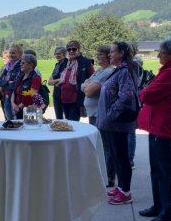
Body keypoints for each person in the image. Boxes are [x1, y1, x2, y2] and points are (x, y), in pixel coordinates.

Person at [137, 37, 171, 221]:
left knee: (165, 173)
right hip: (157, 126)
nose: (158, 55)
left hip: (162, 127)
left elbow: (147, 94)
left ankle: (167, 214)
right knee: (157, 171)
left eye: (162, 52)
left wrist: (144, 91)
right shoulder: (168, 71)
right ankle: (158, 206)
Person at [97, 41, 140, 205]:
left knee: (121, 157)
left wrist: (109, 115)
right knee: (116, 155)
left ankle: (126, 192)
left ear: (122, 53)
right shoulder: (119, 71)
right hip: (111, 123)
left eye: (113, 52)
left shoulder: (125, 71)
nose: (110, 54)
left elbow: (126, 97)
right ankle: (121, 187)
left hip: (117, 123)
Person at [81, 45, 115, 187]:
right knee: (97, 144)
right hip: (93, 113)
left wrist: (87, 85)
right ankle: (101, 173)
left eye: (101, 54)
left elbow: (89, 91)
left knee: (105, 145)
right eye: (98, 54)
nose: (98, 56)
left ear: (108, 56)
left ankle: (109, 176)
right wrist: (87, 85)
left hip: (100, 114)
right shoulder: (99, 71)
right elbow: (83, 85)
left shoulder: (108, 72)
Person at [58, 40, 94, 121]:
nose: (71, 51)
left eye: (74, 49)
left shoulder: (86, 62)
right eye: (69, 49)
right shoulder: (65, 63)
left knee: (72, 123)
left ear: (79, 49)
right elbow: (57, 78)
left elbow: (93, 78)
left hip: (76, 100)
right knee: (67, 122)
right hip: (64, 99)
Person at [0, 44, 23, 121]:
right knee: (9, 121)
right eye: (10, 53)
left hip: (16, 98)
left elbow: (16, 83)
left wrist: (3, 85)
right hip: (5, 96)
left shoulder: (22, 66)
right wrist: (6, 83)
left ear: (20, 54)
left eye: (13, 53)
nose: (11, 55)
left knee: (16, 122)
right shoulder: (6, 66)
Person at [11, 54, 41, 119]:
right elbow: (14, 91)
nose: (20, 64)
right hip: (18, 110)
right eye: (20, 62)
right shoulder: (20, 76)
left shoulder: (36, 78)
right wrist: (13, 104)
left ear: (31, 65)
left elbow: (31, 96)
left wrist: (18, 107)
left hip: (29, 111)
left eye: (23, 63)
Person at [48, 46, 68, 119]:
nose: (57, 55)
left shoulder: (67, 64)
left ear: (64, 54)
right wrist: (57, 80)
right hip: (56, 93)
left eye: (59, 53)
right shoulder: (57, 64)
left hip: (64, 93)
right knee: (58, 116)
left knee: (67, 117)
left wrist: (56, 81)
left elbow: (65, 79)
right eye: (55, 54)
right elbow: (49, 82)